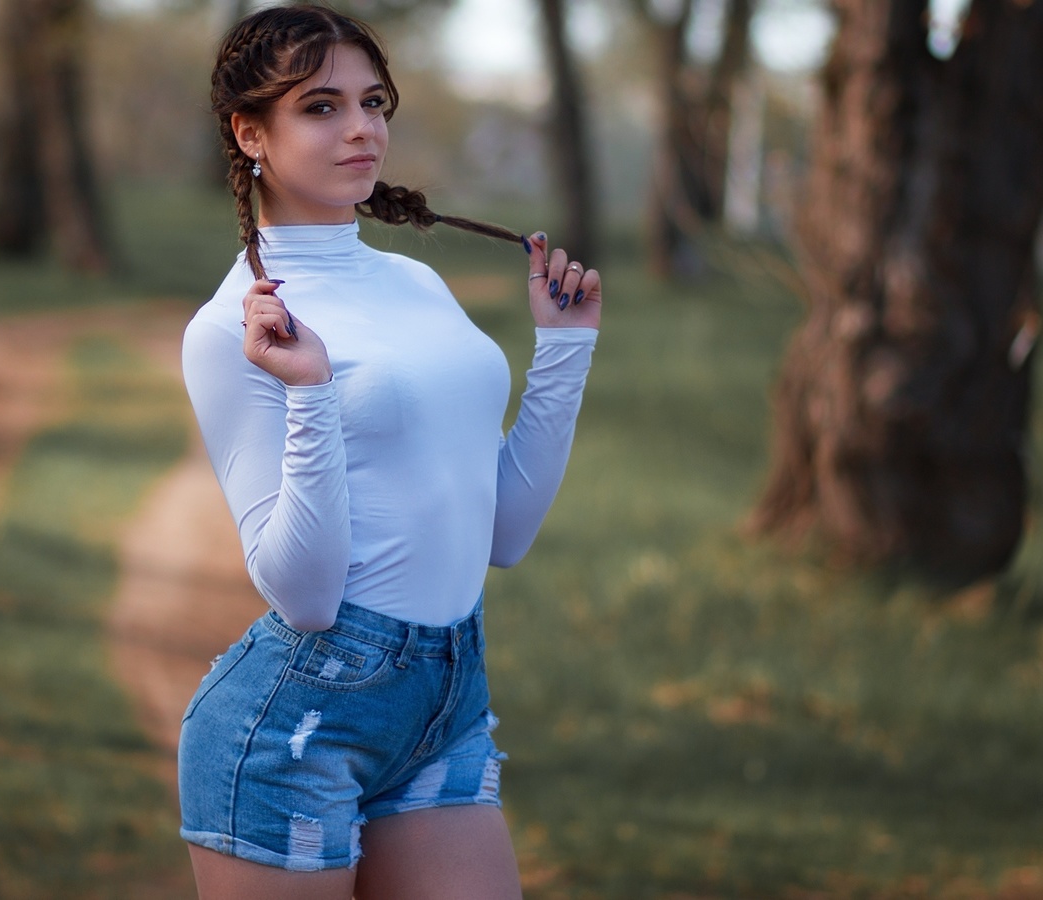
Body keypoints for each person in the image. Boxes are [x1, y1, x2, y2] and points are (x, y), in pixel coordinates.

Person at [178, 5, 602, 898]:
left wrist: (563, 349)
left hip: (447, 703)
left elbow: (506, 531)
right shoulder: (233, 329)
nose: (363, 128)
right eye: (322, 107)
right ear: (250, 132)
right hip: (297, 728)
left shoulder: (416, 282)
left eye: (373, 102)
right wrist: (309, 393)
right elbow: (303, 591)